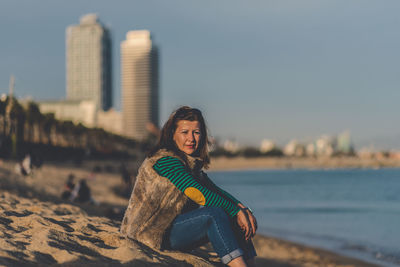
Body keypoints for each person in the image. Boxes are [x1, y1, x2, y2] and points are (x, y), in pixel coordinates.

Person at [120, 106, 258, 267]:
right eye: (185, 132)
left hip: (169, 229)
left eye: (196, 133)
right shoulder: (165, 160)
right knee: (215, 214)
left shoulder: (189, 164)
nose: (191, 139)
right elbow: (197, 193)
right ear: (173, 135)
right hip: (148, 234)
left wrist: (241, 208)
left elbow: (214, 191)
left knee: (233, 214)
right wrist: (235, 211)